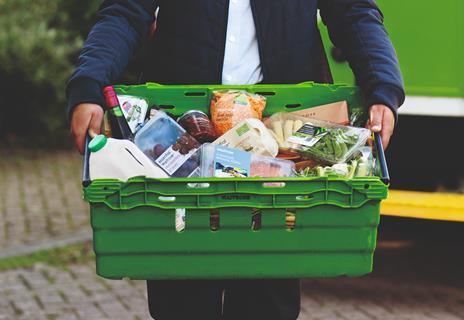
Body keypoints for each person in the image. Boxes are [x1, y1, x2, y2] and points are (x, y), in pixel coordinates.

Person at [67, 1, 404, 319]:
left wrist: (382, 87)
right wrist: (89, 85)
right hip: (182, 134)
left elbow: (354, 13)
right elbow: (125, 11)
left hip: (278, 139)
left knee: (268, 299)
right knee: (183, 297)